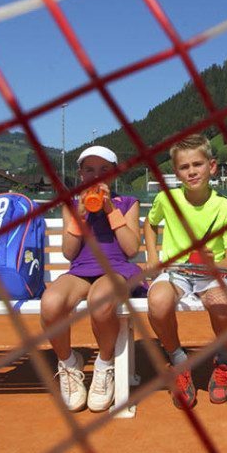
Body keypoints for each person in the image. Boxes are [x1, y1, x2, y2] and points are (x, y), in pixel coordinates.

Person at [40, 145, 142, 413]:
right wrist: (82, 215)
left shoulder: (128, 203)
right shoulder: (71, 206)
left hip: (117, 269)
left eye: (104, 170)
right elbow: (69, 252)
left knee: (101, 300)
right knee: (51, 302)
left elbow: (132, 250)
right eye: (90, 170)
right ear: (80, 174)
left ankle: (104, 365)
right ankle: (69, 364)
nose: (97, 176)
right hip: (81, 269)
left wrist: (110, 209)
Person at [145, 134, 227, 408]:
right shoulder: (166, 199)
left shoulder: (225, 208)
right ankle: (177, 360)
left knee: (220, 303)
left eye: (197, 165)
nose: (191, 172)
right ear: (176, 172)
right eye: (184, 167)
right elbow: (150, 225)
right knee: (157, 301)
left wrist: (215, 265)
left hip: (213, 276)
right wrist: (152, 255)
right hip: (176, 275)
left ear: (212, 167)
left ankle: (225, 360)